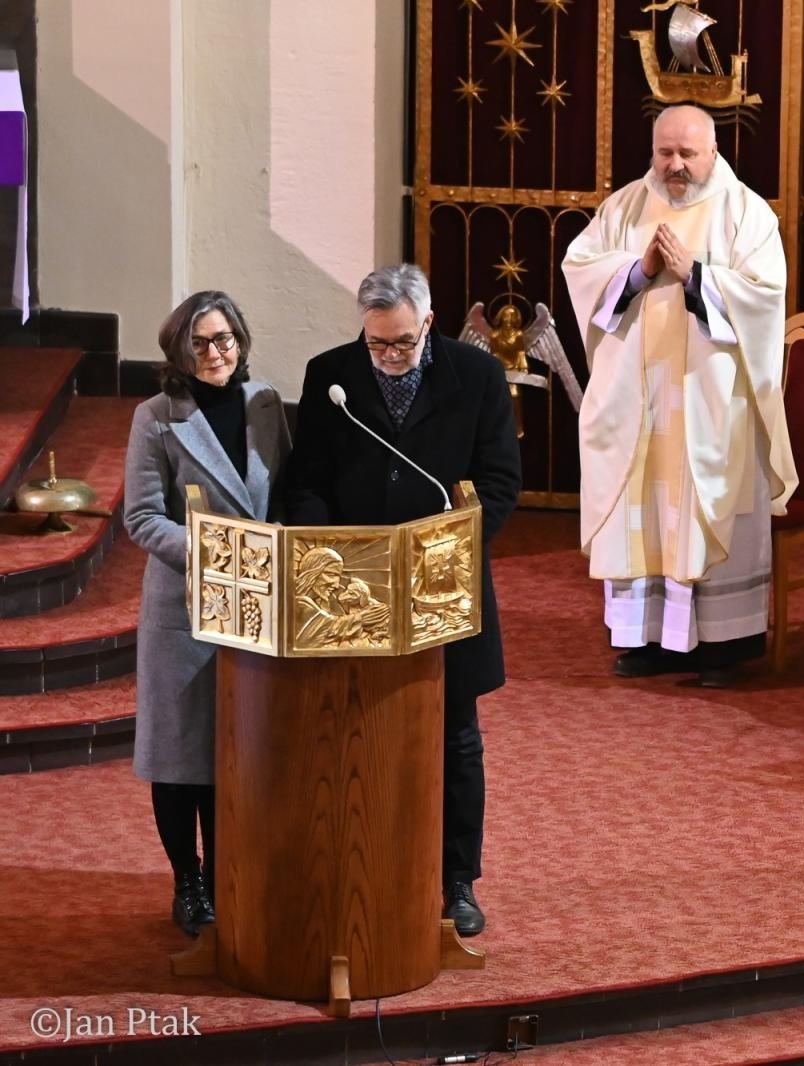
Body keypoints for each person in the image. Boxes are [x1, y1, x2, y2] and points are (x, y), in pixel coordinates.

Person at [282, 264, 521, 936]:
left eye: (403, 345)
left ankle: (459, 880)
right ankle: (361, 864)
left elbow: (500, 484)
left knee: (456, 737)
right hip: (352, 587)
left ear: (429, 322)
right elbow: (307, 479)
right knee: (355, 729)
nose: (389, 358)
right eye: (377, 345)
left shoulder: (474, 379)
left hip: (441, 582)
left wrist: (447, 549)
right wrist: (332, 553)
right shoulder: (332, 374)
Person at [562, 104, 796, 687]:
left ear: (712, 152)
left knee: (709, 503)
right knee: (644, 510)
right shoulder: (624, 208)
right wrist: (637, 272)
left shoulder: (747, 214)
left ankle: (724, 644)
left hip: (712, 403)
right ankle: (650, 638)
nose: (674, 165)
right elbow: (581, 268)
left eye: (687, 154)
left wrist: (697, 276)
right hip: (638, 402)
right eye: (664, 152)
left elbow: (765, 297)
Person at [124, 291, 291, 936]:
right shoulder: (156, 417)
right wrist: (222, 554)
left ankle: (229, 873)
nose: (217, 353)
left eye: (226, 339)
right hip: (187, 606)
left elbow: (280, 494)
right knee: (180, 758)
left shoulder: (265, 404)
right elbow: (142, 518)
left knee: (237, 752)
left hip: (258, 605)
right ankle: (188, 881)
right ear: (179, 351)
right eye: (202, 343)